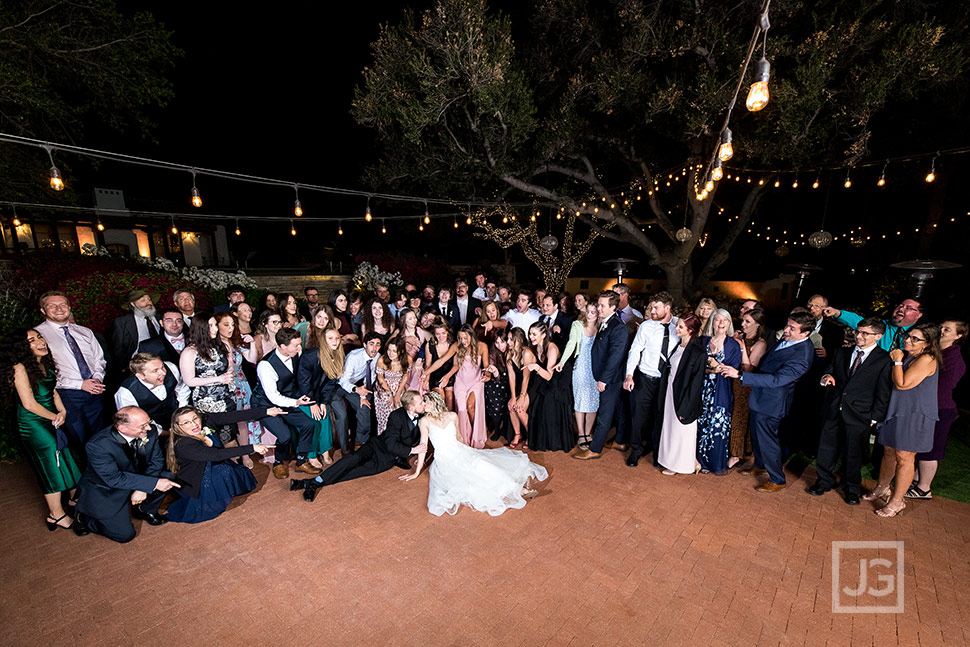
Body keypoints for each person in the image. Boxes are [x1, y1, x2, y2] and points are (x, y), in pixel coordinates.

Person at [403, 391, 547, 517]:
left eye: (424, 401)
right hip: (446, 462)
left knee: (483, 465)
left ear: (433, 402)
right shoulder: (425, 421)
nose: (423, 404)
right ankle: (521, 490)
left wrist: (470, 453)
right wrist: (416, 472)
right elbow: (423, 447)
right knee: (475, 480)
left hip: (460, 452)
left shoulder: (452, 416)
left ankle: (519, 486)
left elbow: (459, 438)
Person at [717, 312, 817, 492]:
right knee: (757, 435)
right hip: (760, 396)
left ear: (805, 333)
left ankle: (777, 479)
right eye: (787, 325)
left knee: (768, 441)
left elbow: (776, 380)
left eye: (792, 328)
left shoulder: (802, 356)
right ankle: (759, 465)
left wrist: (739, 374)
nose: (786, 330)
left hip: (772, 403)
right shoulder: (790, 339)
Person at [2, 328, 81, 532]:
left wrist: (62, 410)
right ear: (21, 347)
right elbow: (28, 403)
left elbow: (53, 390)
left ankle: (74, 500)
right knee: (50, 465)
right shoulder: (19, 367)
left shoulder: (44, 363)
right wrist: (54, 417)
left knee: (66, 454)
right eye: (32, 340)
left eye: (39, 337)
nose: (40, 341)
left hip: (51, 417)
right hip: (33, 423)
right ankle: (56, 515)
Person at [808, 317, 892, 505]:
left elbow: (883, 392)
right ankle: (823, 481)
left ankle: (851, 489)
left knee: (853, 454)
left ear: (878, 336)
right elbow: (828, 370)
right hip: (833, 409)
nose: (858, 336)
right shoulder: (841, 352)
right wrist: (826, 377)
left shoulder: (884, 360)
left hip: (860, 415)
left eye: (864, 333)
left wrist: (874, 418)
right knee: (825, 449)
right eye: (857, 331)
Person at [294, 390, 428, 502]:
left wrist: (416, 454)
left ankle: (308, 483)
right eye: (421, 402)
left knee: (354, 473)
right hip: (377, 446)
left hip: (386, 460)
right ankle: (316, 482)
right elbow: (391, 444)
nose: (424, 404)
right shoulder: (396, 416)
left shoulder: (423, 418)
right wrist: (412, 450)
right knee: (352, 459)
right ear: (411, 407)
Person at [864, 323, 941, 517]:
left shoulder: (927, 359)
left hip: (914, 415)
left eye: (915, 339)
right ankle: (882, 487)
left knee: (904, 457)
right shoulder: (911, 356)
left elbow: (903, 383)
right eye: (908, 336)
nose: (908, 340)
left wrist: (897, 361)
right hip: (897, 411)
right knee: (889, 451)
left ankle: (897, 501)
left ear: (928, 343)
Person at [73, 406, 182, 542]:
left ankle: (144, 509)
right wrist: (151, 484)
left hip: (135, 478)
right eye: (143, 426)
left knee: (169, 478)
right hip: (108, 488)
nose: (148, 428)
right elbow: (113, 478)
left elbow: (156, 462)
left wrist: (143, 487)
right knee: (125, 536)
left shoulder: (151, 431)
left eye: (149, 422)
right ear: (123, 429)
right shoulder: (98, 445)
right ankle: (84, 517)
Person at [164, 406, 277, 523]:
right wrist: (252, 447)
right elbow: (217, 454)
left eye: (195, 419)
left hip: (213, 464)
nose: (194, 425)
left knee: (230, 470)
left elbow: (234, 416)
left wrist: (266, 411)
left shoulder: (206, 421)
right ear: (178, 426)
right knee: (223, 471)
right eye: (186, 422)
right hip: (197, 478)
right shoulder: (184, 444)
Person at [35, 291, 107, 455]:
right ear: (43, 311)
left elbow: (99, 359)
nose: (59, 309)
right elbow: (42, 372)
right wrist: (80, 384)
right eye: (52, 306)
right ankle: (82, 476)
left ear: (69, 307)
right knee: (77, 439)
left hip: (95, 391)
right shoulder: (38, 335)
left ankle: (103, 473)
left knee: (100, 436)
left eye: (62, 305)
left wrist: (96, 378)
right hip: (65, 394)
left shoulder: (84, 331)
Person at [251, 327, 320, 479]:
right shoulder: (266, 365)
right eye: (296, 345)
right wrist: (297, 402)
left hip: (287, 399)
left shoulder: (296, 353)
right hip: (265, 404)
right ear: (282, 347)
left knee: (309, 424)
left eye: (299, 344)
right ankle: (278, 462)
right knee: (285, 436)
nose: (300, 348)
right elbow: (273, 397)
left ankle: (301, 461)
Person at [909, 320, 967, 500]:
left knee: (931, 449)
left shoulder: (954, 358)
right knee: (921, 446)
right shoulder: (936, 351)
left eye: (947, 329)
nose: (941, 330)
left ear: (958, 336)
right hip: (929, 406)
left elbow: (943, 386)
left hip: (940, 408)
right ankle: (917, 480)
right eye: (941, 327)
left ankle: (924, 489)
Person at [621, 292, 679, 467]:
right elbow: (635, 350)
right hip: (645, 378)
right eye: (651, 307)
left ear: (667, 308)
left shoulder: (679, 326)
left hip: (666, 380)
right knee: (639, 417)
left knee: (661, 417)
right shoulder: (646, 326)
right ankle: (636, 450)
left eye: (656, 307)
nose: (652, 310)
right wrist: (629, 374)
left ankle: (658, 454)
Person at [574, 291, 628, 461]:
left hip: (611, 379)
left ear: (613, 307)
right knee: (619, 411)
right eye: (598, 304)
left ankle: (595, 449)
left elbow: (615, 357)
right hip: (605, 376)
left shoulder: (618, 327)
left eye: (602, 305)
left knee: (604, 415)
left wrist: (604, 380)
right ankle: (620, 441)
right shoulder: (605, 323)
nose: (599, 308)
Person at [658, 314, 707, 475]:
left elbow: (696, 384)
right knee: (670, 428)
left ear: (690, 330)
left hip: (684, 397)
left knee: (682, 431)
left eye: (680, 326)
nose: (676, 329)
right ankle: (672, 461)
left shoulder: (698, 352)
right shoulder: (677, 346)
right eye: (677, 325)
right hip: (671, 392)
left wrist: (686, 407)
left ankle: (681, 464)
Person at [179, 314, 236, 447]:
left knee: (230, 435)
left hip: (227, 397)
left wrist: (229, 374)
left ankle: (233, 464)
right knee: (212, 439)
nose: (215, 329)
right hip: (206, 401)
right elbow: (189, 381)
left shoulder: (224, 345)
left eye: (215, 325)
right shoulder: (190, 352)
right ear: (200, 329)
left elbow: (230, 368)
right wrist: (218, 379)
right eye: (210, 326)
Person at [696, 309, 741, 475]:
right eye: (717, 320)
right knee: (700, 425)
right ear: (712, 322)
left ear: (729, 324)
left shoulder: (733, 345)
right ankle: (699, 462)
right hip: (701, 390)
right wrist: (710, 369)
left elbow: (734, 370)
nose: (721, 323)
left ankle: (714, 463)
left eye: (725, 320)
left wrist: (715, 366)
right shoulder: (702, 341)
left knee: (717, 427)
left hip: (721, 392)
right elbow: (695, 365)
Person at [217, 312, 264, 468]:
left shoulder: (234, 343)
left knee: (242, 422)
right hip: (223, 387)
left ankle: (245, 455)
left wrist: (251, 344)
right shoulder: (213, 346)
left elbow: (251, 359)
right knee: (226, 425)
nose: (230, 328)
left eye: (232, 324)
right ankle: (230, 457)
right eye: (226, 324)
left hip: (241, 386)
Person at [554, 302, 599, 450]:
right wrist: (562, 361)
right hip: (580, 367)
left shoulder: (602, 326)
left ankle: (588, 432)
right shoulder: (577, 325)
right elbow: (571, 343)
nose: (590, 315)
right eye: (588, 311)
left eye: (594, 312)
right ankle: (580, 433)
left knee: (593, 402)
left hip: (596, 369)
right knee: (580, 400)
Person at [298, 327, 347, 460]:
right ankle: (312, 455)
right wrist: (312, 403)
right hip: (302, 397)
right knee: (314, 420)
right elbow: (304, 384)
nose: (335, 341)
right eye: (330, 338)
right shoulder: (309, 357)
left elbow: (330, 384)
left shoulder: (337, 356)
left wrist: (324, 403)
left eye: (337, 338)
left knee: (325, 419)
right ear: (323, 341)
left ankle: (325, 451)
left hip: (319, 397)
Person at [729, 308, 768, 469]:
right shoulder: (740, 337)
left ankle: (736, 454)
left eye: (747, 322)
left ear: (758, 325)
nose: (743, 324)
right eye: (743, 320)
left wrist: (741, 346)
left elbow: (748, 368)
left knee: (739, 417)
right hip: (731, 380)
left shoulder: (761, 343)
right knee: (731, 414)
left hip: (746, 385)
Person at [525, 321, 574, 452]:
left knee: (544, 400)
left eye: (534, 334)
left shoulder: (551, 348)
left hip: (557, 382)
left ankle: (553, 440)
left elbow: (549, 376)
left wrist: (535, 367)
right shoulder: (535, 346)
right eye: (530, 333)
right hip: (545, 380)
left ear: (543, 334)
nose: (531, 337)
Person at [114, 353, 190, 432]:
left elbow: (182, 390)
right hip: (152, 431)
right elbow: (133, 421)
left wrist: (182, 416)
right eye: (155, 371)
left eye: (162, 367)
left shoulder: (171, 368)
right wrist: (163, 432)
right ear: (140, 376)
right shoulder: (125, 394)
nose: (163, 372)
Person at [440, 325, 488, 448]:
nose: (463, 341)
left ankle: (475, 436)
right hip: (461, 382)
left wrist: (488, 375)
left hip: (476, 381)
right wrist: (445, 376)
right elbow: (451, 363)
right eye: (460, 338)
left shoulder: (482, 346)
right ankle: (465, 437)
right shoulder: (457, 346)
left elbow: (486, 367)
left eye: (465, 338)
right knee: (461, 410)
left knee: (470, 406)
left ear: (472, 336)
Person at [824, 298, 923, 352]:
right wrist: (837, 313)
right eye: (900, 305)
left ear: (919, 315)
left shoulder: (921, 333)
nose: (901, 309)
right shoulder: (882, 325)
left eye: (908, 308)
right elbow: (859, 321)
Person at [338, 332, 384, 448]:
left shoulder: (377, 357)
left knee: (364, 407)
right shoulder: (354, 357)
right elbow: (344, 380)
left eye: (378, 344)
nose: (374, 348)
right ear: (364, 345)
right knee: (343, 413)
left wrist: (363, 396)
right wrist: (357, 390)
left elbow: (370, 378)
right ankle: (345, 445)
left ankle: (361, 442)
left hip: (357, 386)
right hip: (340, 385)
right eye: (371, 344)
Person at [109, 289, 162, 375]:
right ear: (133, 304)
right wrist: (125, 368)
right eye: (143, 300)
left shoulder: (161, 318)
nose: (149, 302)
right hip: (139, 367)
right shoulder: (123, 323)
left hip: (164, 361)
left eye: (149, 299)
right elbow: (118, 349)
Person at [505, 327, 536, 449]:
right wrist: (513, 397)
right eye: (508, 339)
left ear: (519, 340)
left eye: (511, 339)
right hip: (520, 384)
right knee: (511, 405)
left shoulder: (527, 353)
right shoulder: (509, 353)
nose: (508, 342)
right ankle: (518, 434)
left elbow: (527, 378)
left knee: (520, 408)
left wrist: (521, 398)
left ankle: (532, 435)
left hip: (533, 385)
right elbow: (511, 377)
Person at [375, 337, 410, 436]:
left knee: (400, 411)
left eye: (394, 351)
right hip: (384, 387)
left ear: (401, 351)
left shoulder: (407, 359)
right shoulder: (382, 360)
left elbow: (406, 375)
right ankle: (384, 438)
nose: (390, 353)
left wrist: (398, 394)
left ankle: (398, 438)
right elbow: (380, 378)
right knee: (386, 413)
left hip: (399, 386)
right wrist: (390, 394)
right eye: (389, 350)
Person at [483, 328, 513, 443]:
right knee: (494, 400)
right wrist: (494, 373)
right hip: (496, 384)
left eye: (502, 342)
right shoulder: (493, 352)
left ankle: (505, 427)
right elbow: (491, 372)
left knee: (505, 404)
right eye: (497, 342)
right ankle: (496, 427)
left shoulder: (511, 351)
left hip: (508, 383)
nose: (500, 345)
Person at [394, 308, 431, 392]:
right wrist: (405, 339)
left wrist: (422, 354)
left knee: (417, 372)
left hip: (418, 363)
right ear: (404, 321)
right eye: (410, 319)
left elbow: (433, 341)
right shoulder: (399, 332)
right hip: (404, 363)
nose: (413, 320)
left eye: (414, 318)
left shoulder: (420, 331)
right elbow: (389, 344)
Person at [421, 322, 456, 410]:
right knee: (440, 397)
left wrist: (447, 377)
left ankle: (449, 421)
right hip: (435, 375)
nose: (441, 337)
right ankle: (440, 420)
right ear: (434, 334)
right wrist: (427, 378)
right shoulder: (430, 345)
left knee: (449, 398)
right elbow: (428, 364)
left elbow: (456, 365)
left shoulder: (453, 345)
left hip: (449, 374)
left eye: (443, 333)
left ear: (447, 332)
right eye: (438, 334)